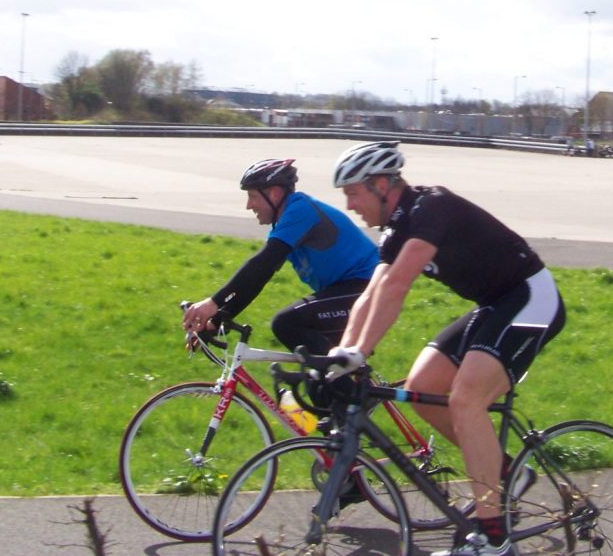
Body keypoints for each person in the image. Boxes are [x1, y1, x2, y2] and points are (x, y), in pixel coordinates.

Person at [327, 140, 566, 556]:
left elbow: (398, 285)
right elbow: (372, 293)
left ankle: (492, 538)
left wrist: (362, 351)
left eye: (353, 193)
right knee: (422, 387)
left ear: (382, 185)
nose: (350, 205)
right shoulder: (394, 231)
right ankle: (506, 472)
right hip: (494, 304)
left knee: (466, 399)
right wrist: (342, 352)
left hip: (531, 297)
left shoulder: (431, 207)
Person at [181, 158, 380, 354]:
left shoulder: (301, 210)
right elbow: (259, 278)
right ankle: (343, 374)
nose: (249, 205)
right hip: (349, 290)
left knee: (286, 323)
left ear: (275, 193)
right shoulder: (287, 222)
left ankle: (343, 374)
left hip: (366, 287)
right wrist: (215, 322)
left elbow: (262, 263)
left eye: (253, 196)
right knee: (317, 365)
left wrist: (213, 303)